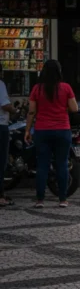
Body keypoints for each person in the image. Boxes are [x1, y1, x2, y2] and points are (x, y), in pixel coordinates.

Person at [25, 60, 78, 208]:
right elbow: (74, 108)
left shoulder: (37, 89)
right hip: (62, 130)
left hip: (42, 131)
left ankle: (40, 200)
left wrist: (28, 130)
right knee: (62, 164)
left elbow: (31, 111)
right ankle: (62, 199)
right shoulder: (66, 88)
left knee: (42, 165)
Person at [0, 64, 16, 207]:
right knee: (1, 162)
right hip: (1, 126)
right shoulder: (0, 84)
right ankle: (0, 197)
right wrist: (14, 110)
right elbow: (5, 105)